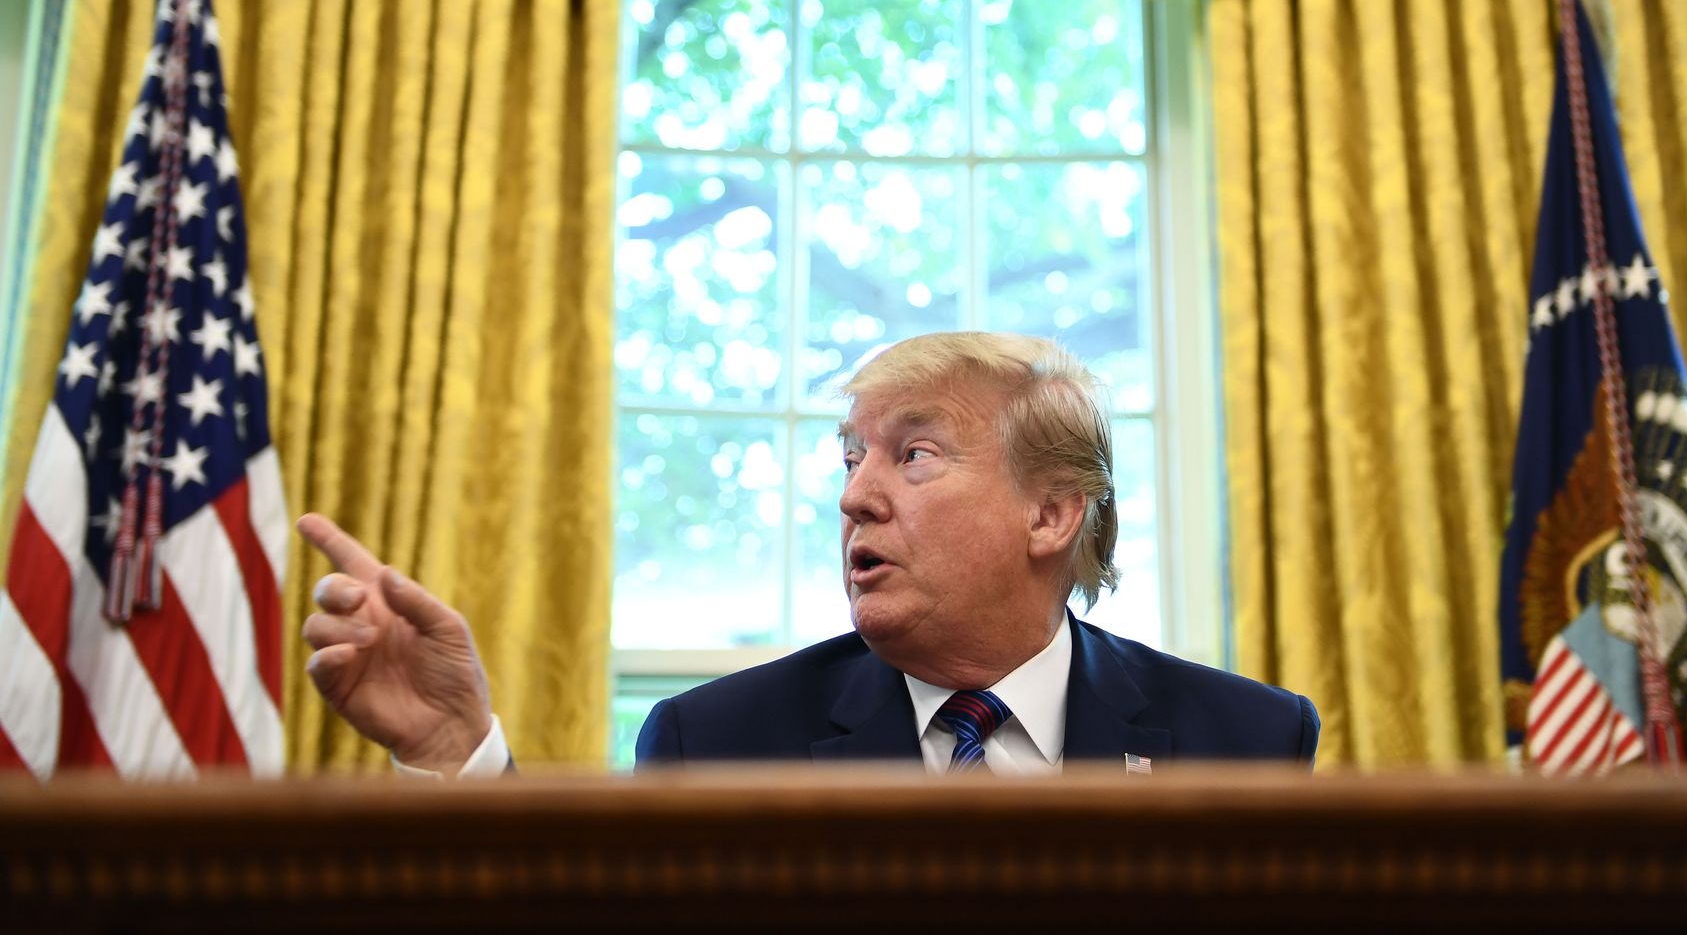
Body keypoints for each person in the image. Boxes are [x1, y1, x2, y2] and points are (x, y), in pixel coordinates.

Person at [299, 332, 1319, 776]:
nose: (853, 494)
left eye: (913, 454)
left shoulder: (1245, 737)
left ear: (1051, 515)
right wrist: (459, 756)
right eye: (850, 456)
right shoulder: (721, 742)